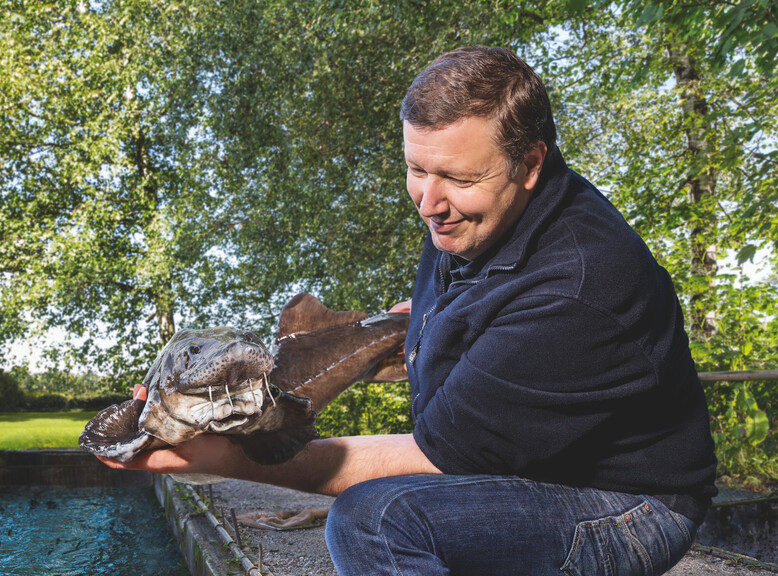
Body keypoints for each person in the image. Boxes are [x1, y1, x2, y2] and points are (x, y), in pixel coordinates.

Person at [98, 46, 717, 575]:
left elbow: (436, 458)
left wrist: (231, 458)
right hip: (537, 461)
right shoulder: (476, 215)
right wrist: (424, 326)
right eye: (415, 169)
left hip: (630, 503)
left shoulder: (579, 289)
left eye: (457, 178)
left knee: (376, 521)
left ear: (531, 162)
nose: (430, 202)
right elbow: (478, 299)